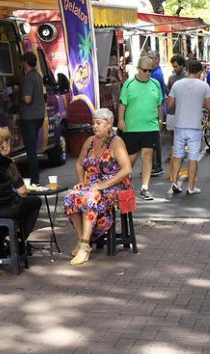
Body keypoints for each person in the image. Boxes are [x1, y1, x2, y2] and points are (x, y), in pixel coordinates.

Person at [64, 108, 132, 265]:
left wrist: (103, 184)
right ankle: (83, 241)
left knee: (90, 198)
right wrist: (81, 181)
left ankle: (84, 245)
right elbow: (80, 164)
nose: (94, 126)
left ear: (108, 124)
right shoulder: (89, 142)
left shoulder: (116, 143)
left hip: (115, 186)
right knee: (70, 197)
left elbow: (127, 169)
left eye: (98, 123)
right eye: (93, 123)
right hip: (93, 186)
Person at [0, 127, 42, 248]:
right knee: (35, 201)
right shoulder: (6, 162)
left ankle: (5, 240)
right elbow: (22, 192)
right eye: (9, 142)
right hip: (5, 207)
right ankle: (19, 239)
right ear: (4, 144)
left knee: (11, 205)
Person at [118, 56, 163, 200]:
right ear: (138, 69)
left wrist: (161, 120)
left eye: (151, 70)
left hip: (150, 126)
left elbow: (159, 104)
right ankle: (125, 183)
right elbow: (122, 104)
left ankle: (145, 187)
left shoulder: (155, 84)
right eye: (145, 70)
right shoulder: (129, 84)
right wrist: (120, 120)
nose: (148, 73)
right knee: (131, 158)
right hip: (132, 128)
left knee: (147, 156)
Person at [167, 59, 210, 194]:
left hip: (179, 124)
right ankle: (191, 187)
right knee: (193, 157)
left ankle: (174, 183)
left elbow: (169, 104)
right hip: (195, 126)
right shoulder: (204, 86)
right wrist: (199, 103)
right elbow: (209, 106)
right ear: (200, 71)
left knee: (177, 155)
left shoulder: (177, 84)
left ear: (187, 69)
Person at [19, 51, 46, 185]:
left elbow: (27, 99)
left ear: (25, 63)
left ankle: (34, 180)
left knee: (30, 150)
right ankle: (35, 178)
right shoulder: (38, 76)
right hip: (39, 115)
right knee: (33, 148)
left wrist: (19, 95)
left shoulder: (28, 78)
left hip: (29, 117)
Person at [146, 51, 166, 177]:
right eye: (148, 57)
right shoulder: (153, 72)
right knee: (152, 141)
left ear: (157, 59)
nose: (149, 60)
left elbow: (158, 97)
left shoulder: (156, 75)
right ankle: (153, 166)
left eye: (151, 58)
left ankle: (156, 166)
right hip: (153, 110)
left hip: (155, 110)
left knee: (154, 141)